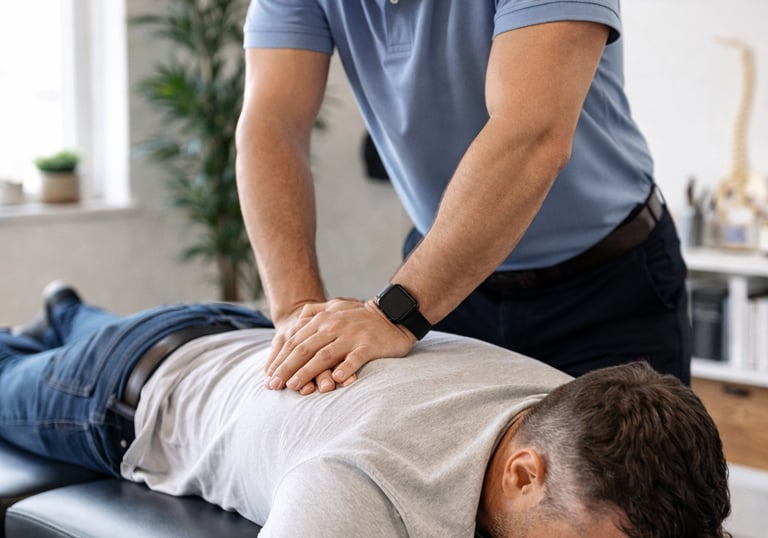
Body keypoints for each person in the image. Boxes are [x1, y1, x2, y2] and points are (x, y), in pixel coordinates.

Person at [1, 284, 729, 537]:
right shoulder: (361, 491)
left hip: (237, 331)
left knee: (79, 321)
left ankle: (67, 308)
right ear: (523, 473)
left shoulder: (569, 406)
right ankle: (58, 323)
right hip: (123, 391)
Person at [235, 1, 691, 396]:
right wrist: (297, 315)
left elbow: (531, 132)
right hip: (449, 291)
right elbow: (273, 124)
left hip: (607, 288)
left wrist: (393, 315)